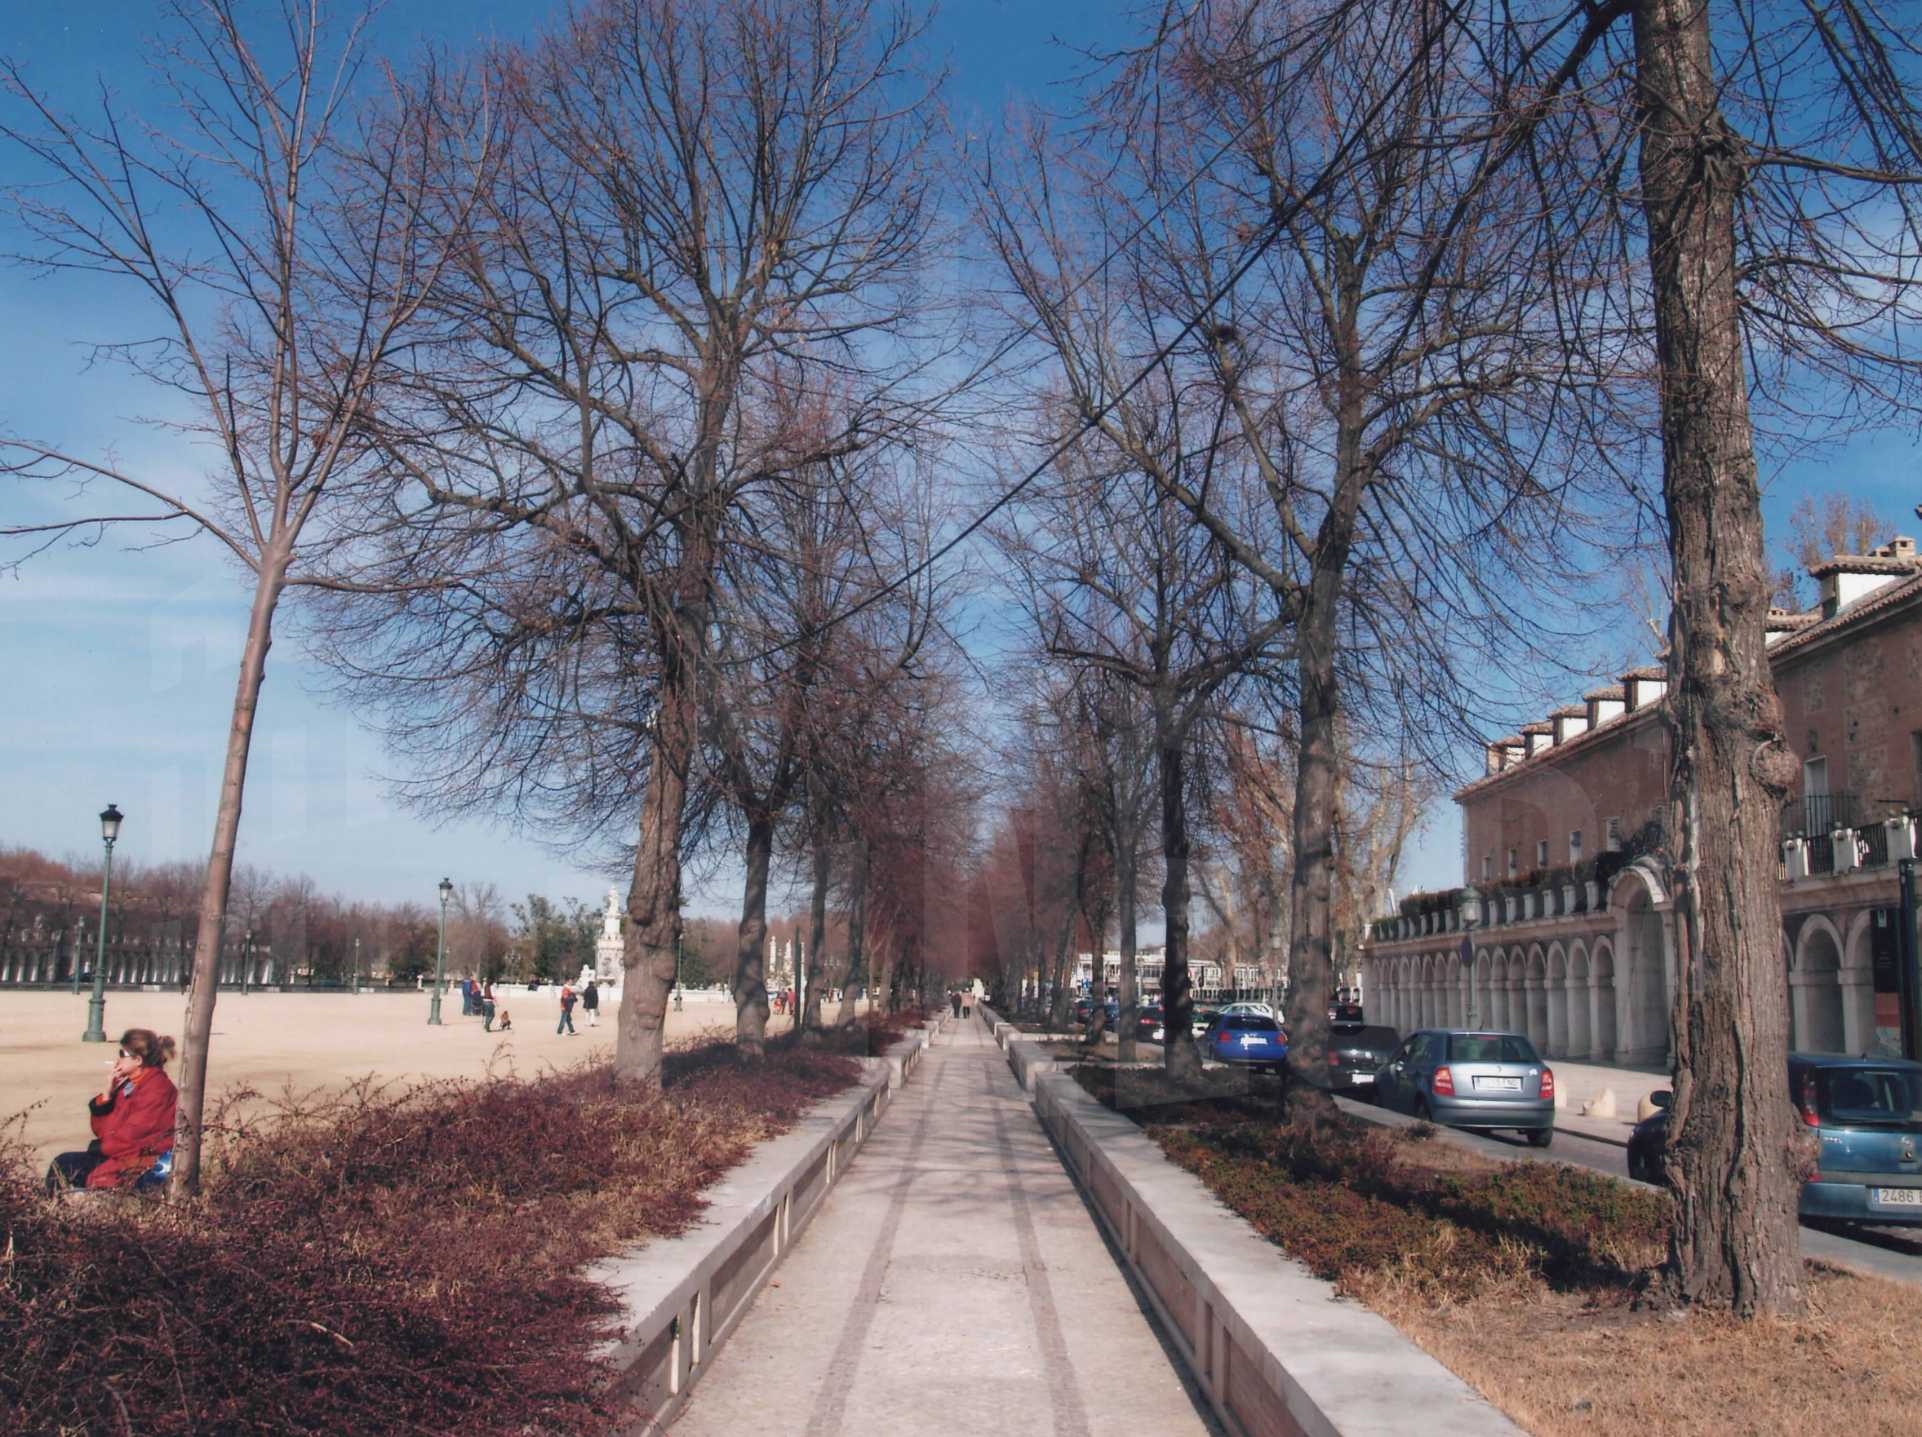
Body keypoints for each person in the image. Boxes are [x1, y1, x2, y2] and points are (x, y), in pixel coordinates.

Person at [45, 1028, 179, 1195]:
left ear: (138, 1060)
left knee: (69, 1167)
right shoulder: (130, 1084)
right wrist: (107, 1095)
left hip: (140, 1160)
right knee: (63, 1163)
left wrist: (100, 1148)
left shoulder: (157, 1089)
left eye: (122, 1054)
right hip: (119, 1153)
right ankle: (56, 1205)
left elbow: (132, 1137)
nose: (118, 1059)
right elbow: (104, 1130)